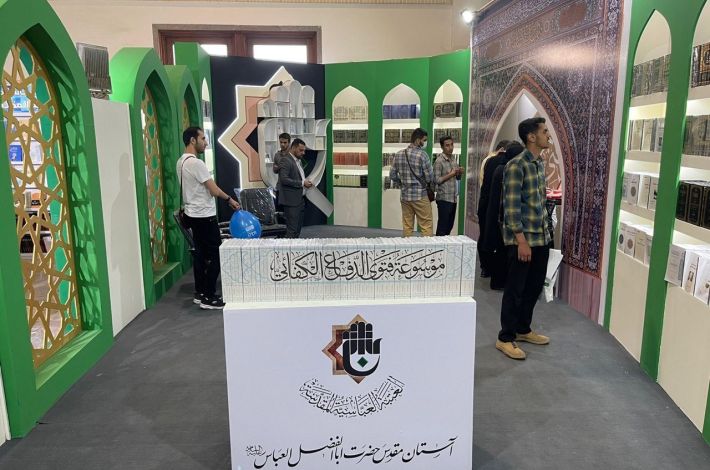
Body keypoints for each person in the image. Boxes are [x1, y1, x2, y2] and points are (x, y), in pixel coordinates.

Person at [496, 117, 552, 360]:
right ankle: (505, 337)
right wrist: (521, 240)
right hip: (523, 240)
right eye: (544, 131)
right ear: (531, 136)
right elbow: (511, 207)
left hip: (540, 238)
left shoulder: (538, 164)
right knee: (515, 289)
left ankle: (522, 329)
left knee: (534, 287)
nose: (548, 135)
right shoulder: (516, 165)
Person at [177, 126, 240, 310]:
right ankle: (209, 296)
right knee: (216, 255)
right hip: (204, 216)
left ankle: (200, 293)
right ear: (193, 140)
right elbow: (213, 190)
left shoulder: (181, 162)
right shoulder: (197, 164)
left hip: (192, 214)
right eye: (203, 138)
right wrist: (229, 199)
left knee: (200, 255)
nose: (205, 142)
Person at [480, 141, 525, 290]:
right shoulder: (506, 170)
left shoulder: (497, 165)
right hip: (502, 218)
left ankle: (496, 279)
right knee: (502, 252)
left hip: (494, 214)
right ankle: (500, 282)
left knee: (498, 250)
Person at [389, 128, 434, 237]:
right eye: (424, 140)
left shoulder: (399, 154)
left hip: (405, 196)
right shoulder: (423, 155)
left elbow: (392, 175)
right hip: (420, 196)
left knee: (407, 226)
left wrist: (402, 183)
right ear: (418, 140)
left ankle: (407, 246)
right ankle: (426, 247)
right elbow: (429, 178)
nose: (425, 142)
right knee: (426, 226)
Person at [478, 140, 510, 277]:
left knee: (485, 235)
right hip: (491, 203)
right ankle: (487, 267)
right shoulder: (494, 161)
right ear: (502, 149)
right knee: (489, 236)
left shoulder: (489, 160)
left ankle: (486, 267)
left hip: (485, 203)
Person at [278, 138, 312, 238]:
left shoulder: (298, 161)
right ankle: (287, 248)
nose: (303, 153)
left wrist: (304, 182)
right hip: (291, 202)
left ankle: (295, 247)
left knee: (297, 230)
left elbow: (298, 177)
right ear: (293, 148)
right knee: (292, 231)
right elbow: (284, 179)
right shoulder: (285, 160)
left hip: (299, 200)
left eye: (304, 150)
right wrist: (302, 183)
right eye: (301, 150)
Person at [433, 135, 463, 236]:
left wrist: (459, 173)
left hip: (453, 198)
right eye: (447, 145)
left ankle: (446, 245)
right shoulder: (439, 161)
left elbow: (457, 178)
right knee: (442, 227)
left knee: (449, 226)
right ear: (442, 147)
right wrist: (451, 174)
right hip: (444, 198)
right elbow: (436, 180)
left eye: (451, 144)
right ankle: (439, 245)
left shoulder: (453, 159)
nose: (450, 147)